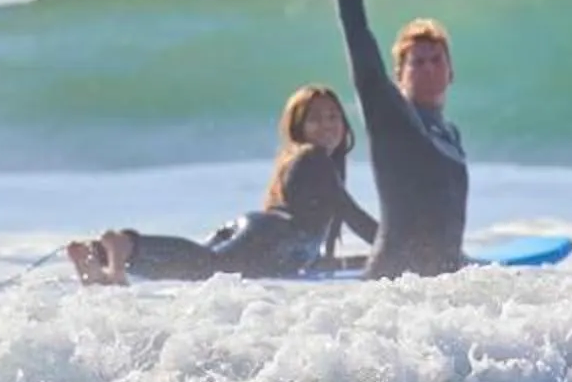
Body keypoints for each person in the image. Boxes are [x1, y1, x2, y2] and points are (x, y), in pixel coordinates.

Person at [64, 85, 380, 285]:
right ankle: (126, 245)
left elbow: (318, 256)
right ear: (299, 128)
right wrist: (399, 244)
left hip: (258, 230)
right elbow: (352, 214)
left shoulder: (299, 160)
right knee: (208, 266)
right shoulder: (315, 158)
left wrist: (367, 259)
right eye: (316, 119)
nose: (327, 126)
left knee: (202, 264)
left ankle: (101, 257)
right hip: (272, 234)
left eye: (333, 117)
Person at [323, 0, 468, 276]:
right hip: (392, 291)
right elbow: (357, 32)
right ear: (399, 74)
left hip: (439, 289)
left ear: (451, 71)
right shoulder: (394, 118)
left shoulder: (450, 134)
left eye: (437, 60)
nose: (427, 68)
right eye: (416, 62)